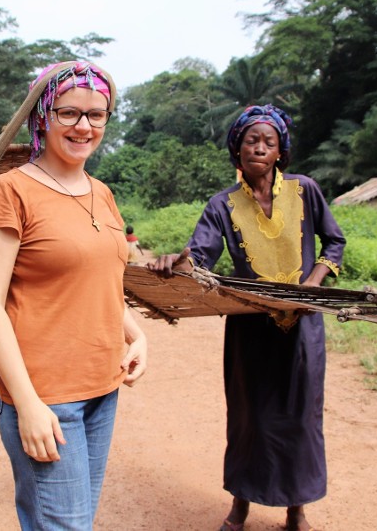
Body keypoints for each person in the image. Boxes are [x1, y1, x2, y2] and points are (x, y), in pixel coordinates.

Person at [148, 105, 345, 531]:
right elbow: (198, 257)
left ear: (280, 151)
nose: (259, 147)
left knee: (301, 417)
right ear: (237, 150)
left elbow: (334, 243)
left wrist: (312, 284)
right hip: (249, 328)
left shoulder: (305, 191)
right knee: (248, 415)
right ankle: (240, 506)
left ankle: (297, 511)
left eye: (268, 142)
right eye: (251, 141)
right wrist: (174, 262)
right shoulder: (222, 205)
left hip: (303, 328)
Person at [0, 61, 148, 530]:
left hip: (102, 387)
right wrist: (27, 403)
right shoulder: (11, 191)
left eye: (96, 115)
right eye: (68, 113)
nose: (83, 126)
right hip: (45, 395)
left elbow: (102, 278)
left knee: (72, 524)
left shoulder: (103, 192)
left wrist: (136, 334)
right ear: (41, 117)